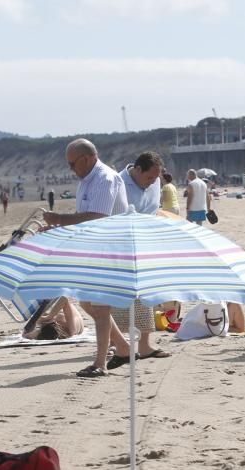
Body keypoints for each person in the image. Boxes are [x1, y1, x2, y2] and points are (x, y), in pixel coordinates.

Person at [42, 138, 129, 378]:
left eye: (73, 164)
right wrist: (56, 230)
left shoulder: (104, 178)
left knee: (100, 307)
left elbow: (97, 217)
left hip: (109, 250)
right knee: (88, 303)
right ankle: (122, 347)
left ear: (87, 159)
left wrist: (59, 218)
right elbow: (82, 219)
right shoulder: (87, 181)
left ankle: (100, 363)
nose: (71, 169)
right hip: (93, 249)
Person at [112, 151, 170, 364]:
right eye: (149, 178)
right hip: (120, 245)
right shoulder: (117, 183)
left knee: (146, 294)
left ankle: (144, 345)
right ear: (137, 170)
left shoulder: (154, 183)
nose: (152, 182)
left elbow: (154, 212)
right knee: (120, 297)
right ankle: (118, 343)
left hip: (145, 245)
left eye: (156, 179)